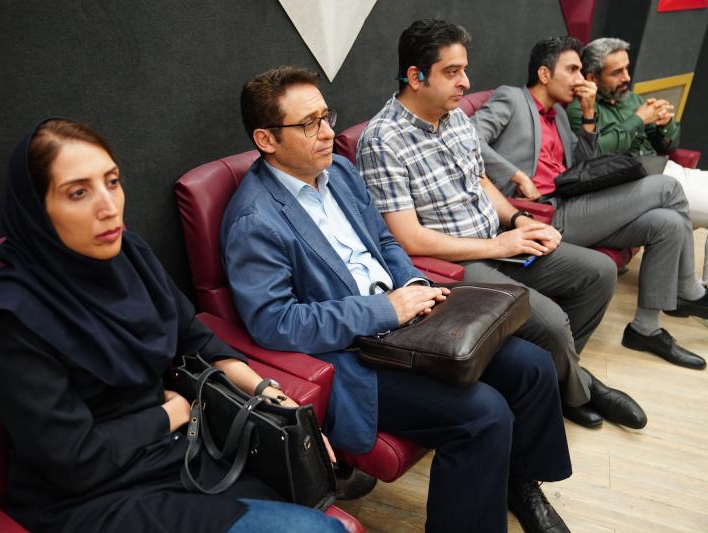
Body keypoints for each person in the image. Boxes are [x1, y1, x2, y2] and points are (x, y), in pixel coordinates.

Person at [223, 65, 574, 533]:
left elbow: (386, 242)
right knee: (484, 414)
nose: (327, 133)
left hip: (409, 318)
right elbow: (275, 322)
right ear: (266, 139)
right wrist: (384, 309)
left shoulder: (338, 171)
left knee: (533, 365)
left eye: (326, 117)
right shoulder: (255, 220)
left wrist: (412, 285)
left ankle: (519, 483)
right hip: (354, 355)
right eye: (308, 124)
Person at [0, 119, 345, 533]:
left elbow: (195, 339)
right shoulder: (14, 318)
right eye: (78, 192)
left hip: (178, 455)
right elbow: (70, 458)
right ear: (37, 211)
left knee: (310, 505)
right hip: (94, 497)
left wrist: (275, 401)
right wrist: (168, 414)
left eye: (112, 182)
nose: (108, 206)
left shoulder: (131, 257)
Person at [356, 19, 647, 433]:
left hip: (496, 239)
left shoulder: (454, 117)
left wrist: (519, 219)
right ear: (416, 77)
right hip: (451, 264)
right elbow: (409, 238)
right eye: (452, 72)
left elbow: (480, 180)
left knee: (598, 273)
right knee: (550, 320)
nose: (465, 82)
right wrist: (499, 246)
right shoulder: (382, 139)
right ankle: (579, 390)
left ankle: (564, 378)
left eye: (464, 69)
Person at [472, 35, 708, 371]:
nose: (581, 79)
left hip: (572, 203)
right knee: (669, 187)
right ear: (544, 74)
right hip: (540, 215)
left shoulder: (560, 115)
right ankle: (689, 290)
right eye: (572, 70)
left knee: (666, 223)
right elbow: (469, 138)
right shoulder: (510, 98)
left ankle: (645, 329)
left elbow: (584, 167)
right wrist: (516, 175)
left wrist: (587, 115)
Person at [572, 36, 708, 281]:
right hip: (633, 183)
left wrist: (666, 125)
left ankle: (696, 289)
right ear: (592, 77)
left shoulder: (631, 99)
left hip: (665, 170)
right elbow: (596, 154)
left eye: (626, 69)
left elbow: (668, 145)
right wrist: (638, 119)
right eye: (616, 72)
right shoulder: (579, 108)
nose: (626, 77)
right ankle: (690, 290)